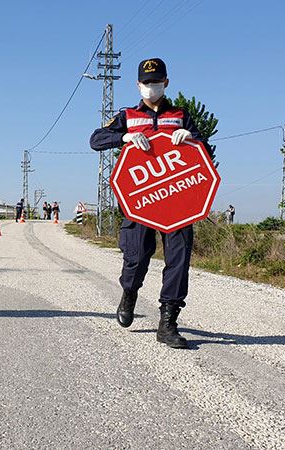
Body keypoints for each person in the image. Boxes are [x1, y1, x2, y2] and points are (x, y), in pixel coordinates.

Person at [89, 58, 213, 349]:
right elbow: (96, 140)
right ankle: (129, 293)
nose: (151, 86)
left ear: (166, 82)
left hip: (177, 202)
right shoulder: (128, 115)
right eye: (146, 82)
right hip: (140, 201)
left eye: (156, 81)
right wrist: (125, 137)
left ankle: (168, 323)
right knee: (136, 256)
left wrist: (192, 137)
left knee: (179, 260)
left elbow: (204, 148)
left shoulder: (181, 115)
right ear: (138, 85)